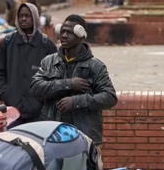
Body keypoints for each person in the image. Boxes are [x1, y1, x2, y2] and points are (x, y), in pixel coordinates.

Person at [30, 14, 117, 158]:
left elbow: (110, 97)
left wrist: (76, 102)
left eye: (69, 32)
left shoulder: (95, 66)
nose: (63, 36)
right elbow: (35, 87)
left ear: (81, 34)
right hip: (53, 136)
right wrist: (68, 84)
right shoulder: (49, 62)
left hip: (85, 138)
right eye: (62, 31)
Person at [0, 2, 58, 127]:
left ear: (35, 18)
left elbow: (56, 75)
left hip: (39, 113)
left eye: (28, 16)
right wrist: (6, 94)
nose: (23, 19)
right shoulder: (7, 43)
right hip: (13, 112)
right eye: (21, 15)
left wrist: (43, 98)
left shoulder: (46, 44)